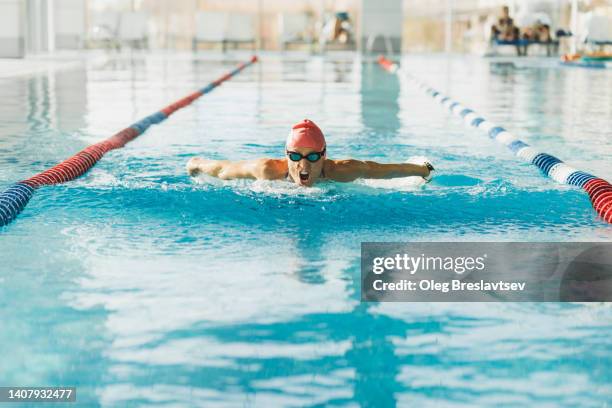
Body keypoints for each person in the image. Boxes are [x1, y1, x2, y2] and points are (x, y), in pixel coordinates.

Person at [187, 119, 434, 187]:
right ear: (286, 155)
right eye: (296, 156)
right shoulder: (267, 170)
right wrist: (197, 164)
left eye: (313, 156)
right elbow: (222, 169)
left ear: (324, 156)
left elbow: (382, 170)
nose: (303, 164)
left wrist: (423, 169)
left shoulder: (341, 171)